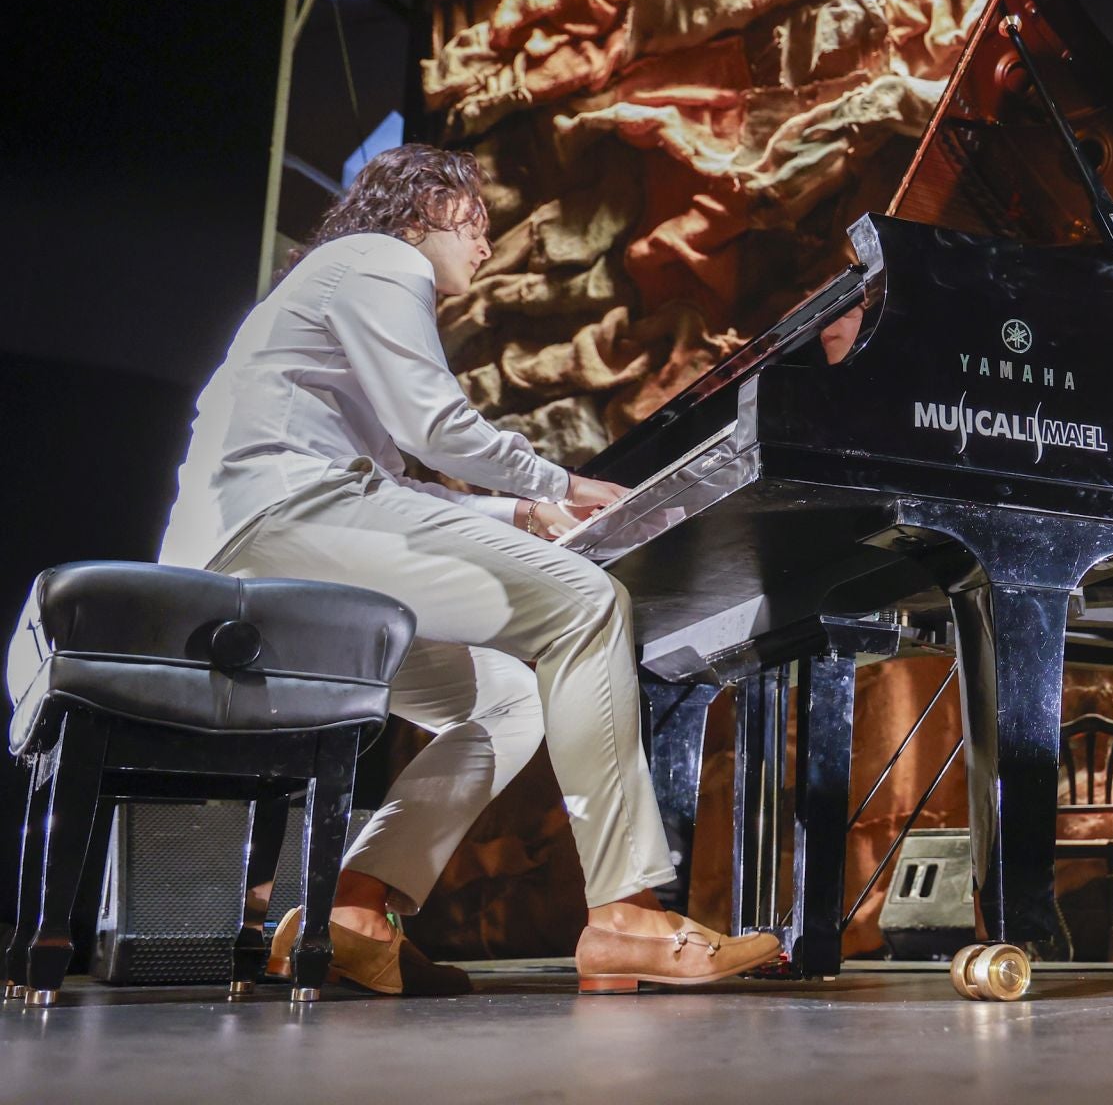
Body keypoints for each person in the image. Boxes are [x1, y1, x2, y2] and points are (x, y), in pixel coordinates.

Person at [158, 143, 780, 995]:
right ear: (420, 210)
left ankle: (352, 906)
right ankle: (626, 913)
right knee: (586, 603)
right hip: (283, 524)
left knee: (506, 697)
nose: (486, 247)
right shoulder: (378, 259)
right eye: (475, 223)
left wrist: (520, 512)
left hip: (257, 555)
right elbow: (432, 426)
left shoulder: (327, 288)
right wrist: (555, 480)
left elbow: (386, 481)